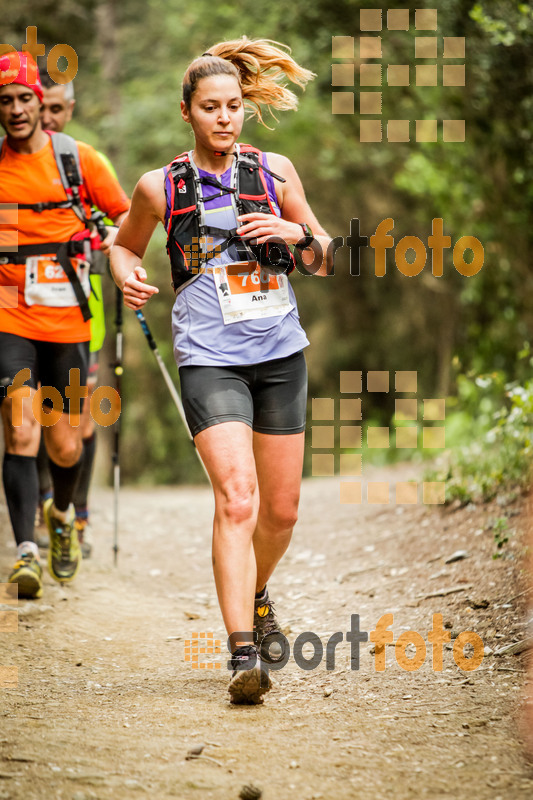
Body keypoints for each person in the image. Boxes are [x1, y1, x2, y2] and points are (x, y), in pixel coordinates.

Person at [110, 37, 332, 705]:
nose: (225, 117)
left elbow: (323, 254)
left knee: (282, 512)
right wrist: (129, 277)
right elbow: (122, 247)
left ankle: (257, 592)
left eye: (234, 105)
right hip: (209, 359)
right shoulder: (161, 185)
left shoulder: (276, 171)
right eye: (211, 107)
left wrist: (298, 238)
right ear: (188, 112)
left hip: (280, 353)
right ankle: (242, 651)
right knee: (238, 500)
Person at [0, 51, 130, 598]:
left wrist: (115, 245)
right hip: (9, 316)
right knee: (21, 429)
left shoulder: (80, 160)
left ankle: (61, 514)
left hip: (69, 319)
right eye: (4, 100)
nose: (16, 109)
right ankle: (25, 552)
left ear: (41, 103)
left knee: (65, 446)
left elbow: (126, 215)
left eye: (24, 98)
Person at [33, 73, 117, 558]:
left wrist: (107, 240)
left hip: (84, 316)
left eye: (57, 109)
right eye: (42, 108)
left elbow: (119, 224)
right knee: (34, 415)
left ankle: (75, 517)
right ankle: (46, 511)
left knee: (78, 423)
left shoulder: (83, 161)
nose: (48, 118)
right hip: (26, 314)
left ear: (70, 107)